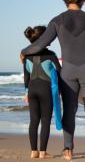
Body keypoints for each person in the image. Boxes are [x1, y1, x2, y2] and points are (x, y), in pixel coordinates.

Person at [20, 0, 85, 161]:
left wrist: (25, 50)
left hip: (68, 73)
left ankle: (68, 150)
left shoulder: (57, 20)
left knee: (69, 111)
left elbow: (39, 45)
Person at [23, 26, 61, 159]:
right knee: (45, 121)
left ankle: (33, 151)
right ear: (43, 38)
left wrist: (26, 92)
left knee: (33, 121)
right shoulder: (51, 55)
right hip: (46, 89)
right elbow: (60, 73)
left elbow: (26, 76)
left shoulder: (27, 55)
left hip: (32, 89)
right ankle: (43, 152)